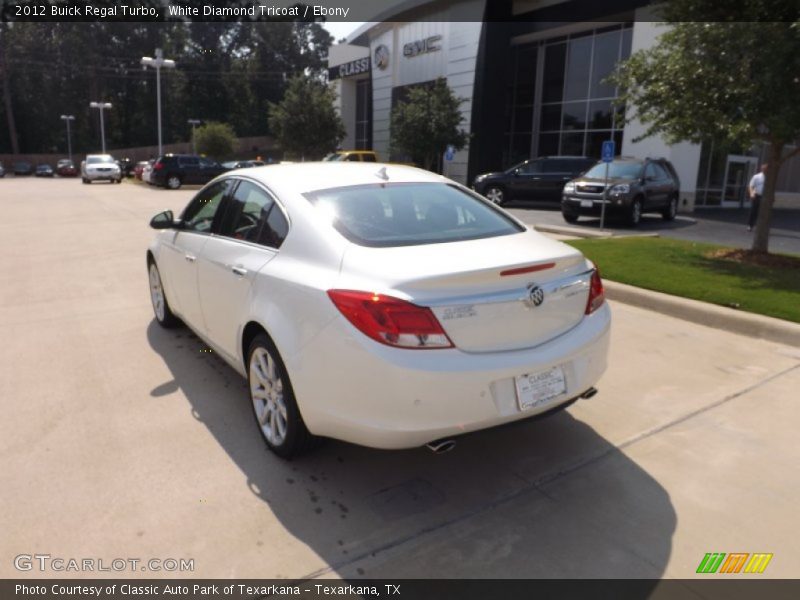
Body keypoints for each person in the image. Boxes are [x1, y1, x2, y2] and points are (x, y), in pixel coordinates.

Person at [747, 163, 767, 232]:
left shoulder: (770, 178)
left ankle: (761, 227)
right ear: (762, 169)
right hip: (757, 195)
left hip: (765, 197)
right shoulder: (756, 176)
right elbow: (751, 186)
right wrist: (751, 193)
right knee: (753, 211)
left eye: (767, 169)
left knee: (763, 212)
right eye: (764, 169)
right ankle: (750, 225)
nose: (765, 170)